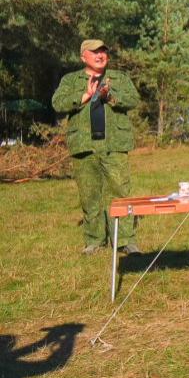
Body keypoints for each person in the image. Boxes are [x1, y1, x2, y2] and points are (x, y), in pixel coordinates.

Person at [52, 39, 140, 255]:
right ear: (84, 57)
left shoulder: (119, 78)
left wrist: (110, 97)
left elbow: (134, 99)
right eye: (94, 52)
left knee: (120, 192)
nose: (100, 55)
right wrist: (84, 96)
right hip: (84, 146)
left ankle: (124, 240)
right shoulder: (70, 80)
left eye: (103, 51)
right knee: (89, 195)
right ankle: (94, 240)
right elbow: (58, 103)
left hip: (114, 145)